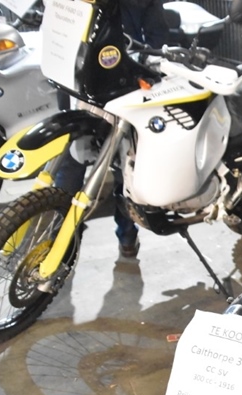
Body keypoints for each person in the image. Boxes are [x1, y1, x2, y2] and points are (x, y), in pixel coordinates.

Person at [53, 0, 170, 259]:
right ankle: (126, 239)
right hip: (120, 85)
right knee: (123, 165)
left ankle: (60, 243)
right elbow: (158, 42)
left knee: (72, 161)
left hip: (77, 82)